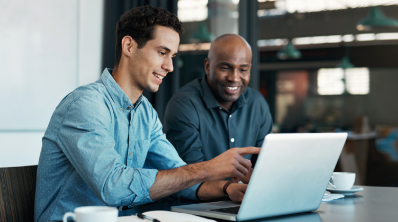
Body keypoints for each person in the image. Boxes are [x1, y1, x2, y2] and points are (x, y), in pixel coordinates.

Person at [34, 6, 259, 222]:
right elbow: (114, 187)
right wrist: (207, 168)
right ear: (129, 46)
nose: (170, 66)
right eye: (162, 52)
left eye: (172, 55)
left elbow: (179, 176)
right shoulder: (85, 105)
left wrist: (228, 188)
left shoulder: (145, 114)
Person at [164, 34, 273, 168]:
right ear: (208, 66)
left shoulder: (257, 103)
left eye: (243, 69)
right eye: (225, 68)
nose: (234, 78)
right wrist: (229, 187)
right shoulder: (184, 104)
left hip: (247, 189)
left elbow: (266, 163)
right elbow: (189, 173)